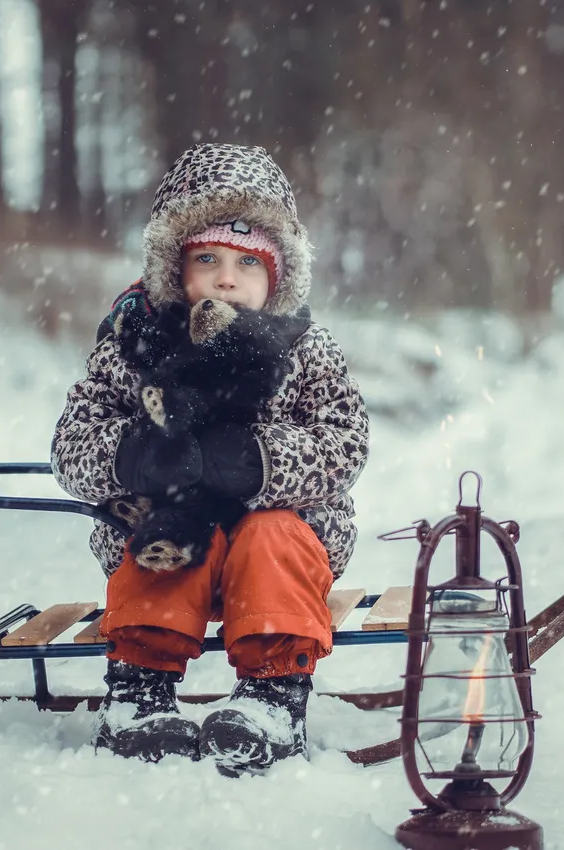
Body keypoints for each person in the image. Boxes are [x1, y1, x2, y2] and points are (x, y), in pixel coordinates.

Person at [50, 143, 369, 775]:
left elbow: (345, 441)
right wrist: (131, 455)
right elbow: (72, 442)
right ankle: (139, 694)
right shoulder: (134, 344)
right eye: (208, 259)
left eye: (248, 263)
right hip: (173, 535)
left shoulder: (305, 348)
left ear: (277, 277)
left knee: (271, 531)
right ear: (177, 268)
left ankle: (272, 698)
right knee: (159, 533)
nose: (228, 277)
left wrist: (259, 460)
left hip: (282, 543)